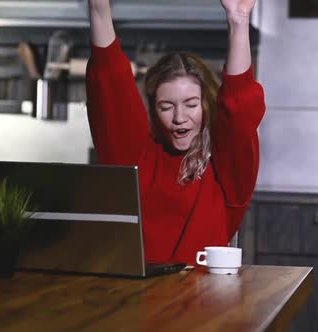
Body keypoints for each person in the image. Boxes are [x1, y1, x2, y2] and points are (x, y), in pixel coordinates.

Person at [86, 0, 265, 265]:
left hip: (206, 300)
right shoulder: (139, 157)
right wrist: (98, 7)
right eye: (166, 106)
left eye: (191, 104)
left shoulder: (226, 170)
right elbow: (109, 83)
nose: (180, 118)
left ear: (207, 104)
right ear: (154, 110)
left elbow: (238, 111)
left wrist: (238, 22)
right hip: (137, 298)